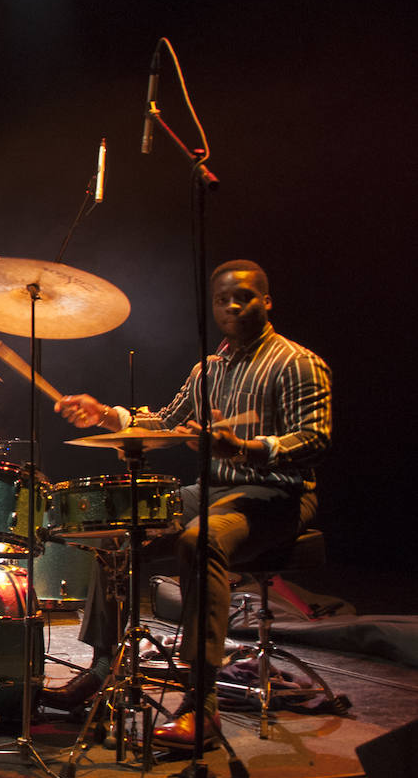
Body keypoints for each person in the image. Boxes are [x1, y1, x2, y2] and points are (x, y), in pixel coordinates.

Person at [48, 260, 332, 749]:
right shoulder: (208, 369)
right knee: (119, 523)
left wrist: (245, 448)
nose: (233, 306)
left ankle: (202, 708)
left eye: (244, 296)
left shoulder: (297, 362)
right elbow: (165, 423)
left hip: (279, 493)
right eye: (223, 299)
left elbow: (315, 438)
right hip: (214, 488)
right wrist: (108, 415)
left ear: (267, 301)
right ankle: (103, 672)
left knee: (201, 541)